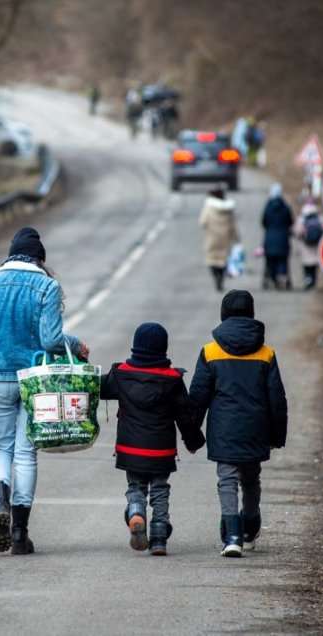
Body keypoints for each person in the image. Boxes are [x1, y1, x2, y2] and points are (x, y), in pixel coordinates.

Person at [0, 227, 89, 555]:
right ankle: (19, 533)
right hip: (36, 383)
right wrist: (75, 345)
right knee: (26, 453)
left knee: (1, 449)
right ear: (40, 259)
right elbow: (52, 341)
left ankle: (0, 504)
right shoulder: (47, 286)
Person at [188, 290, 288, 557]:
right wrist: (278, 435)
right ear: (252, 314)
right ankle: (250, 525)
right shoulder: (266, 353)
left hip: (224, 428)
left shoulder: (210, 351)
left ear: (223, 314)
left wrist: (191, 432)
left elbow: (198, 396)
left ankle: (232, 534)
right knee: (251, 477)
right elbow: (277, 399)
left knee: (227, 479)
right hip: (256, 427)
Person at [100, 323, 205, 556]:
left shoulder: (121, 374)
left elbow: (97, 388)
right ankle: (158, 537)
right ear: (164, 349)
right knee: (160, 490)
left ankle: (136, 512)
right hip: (161, 450)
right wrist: (194, 441)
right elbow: (185, 417)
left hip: (130, 449)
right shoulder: (173, 380)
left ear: (135, 347)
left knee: (135, 486)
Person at [199, 188, 240, 292]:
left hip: (212, 239)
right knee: (224, 260)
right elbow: (233, 225)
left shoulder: (208, 208)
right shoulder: (229, 209)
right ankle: (221, 278)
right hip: (225, 239)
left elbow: (202, 222)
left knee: (212, 260)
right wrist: (236, 239)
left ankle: (216, 277)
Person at [261, 183, 294, 290]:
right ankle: (283, 279)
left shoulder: (268, 206)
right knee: (283, 261)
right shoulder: (285, 207)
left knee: (270, 261)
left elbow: (263, 222)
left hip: (269, 239)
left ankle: (272, 279)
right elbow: (290, 221)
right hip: (283, 239)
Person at [294, 201, 323, 290]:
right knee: (314, 265)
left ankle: (308, 280)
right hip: (316, 246)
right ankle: (313, 281)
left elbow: (297, 232)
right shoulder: (320, 218)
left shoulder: (302, 218)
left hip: (305, 246)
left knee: (307, 266)